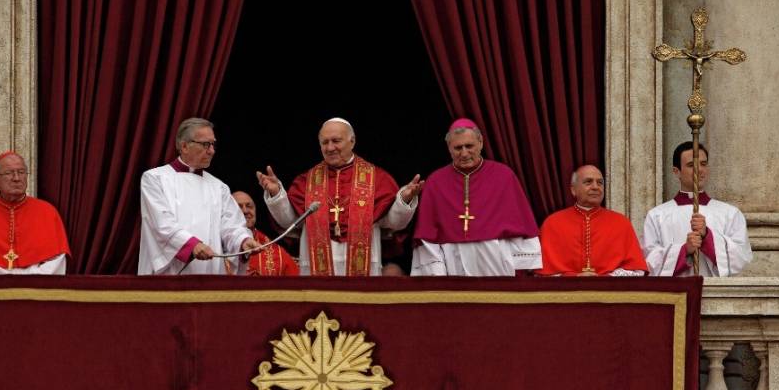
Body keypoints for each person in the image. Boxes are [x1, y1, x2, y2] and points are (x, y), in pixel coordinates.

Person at [256, 117, 423, 275]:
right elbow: (289, 222)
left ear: (352, 141)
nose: (330, 148)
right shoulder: (306, 181)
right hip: (315, 267)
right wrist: (276, 194)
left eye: (336, 141)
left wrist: (405, 199)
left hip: (365, 267)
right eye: (325, 142)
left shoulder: (376, 179)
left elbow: (394, 223)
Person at [411, 118, 541, 276]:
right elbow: (427, 235)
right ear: (449, 148)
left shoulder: (504, 176)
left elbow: (521, 226)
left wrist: (521, 269)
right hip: (452, 263)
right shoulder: (435, 182)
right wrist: (437, 274)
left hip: (497, 263)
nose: (464, 153)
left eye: (469, 146)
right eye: (458, 148)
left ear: (481, 143)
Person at [138, 118, 260, 275]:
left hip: (210, 274)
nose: (212, 151)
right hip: (169, 275)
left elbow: (232, 227)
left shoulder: (219, 187)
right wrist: (191, 245)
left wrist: (243, 241)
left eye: (213, 144)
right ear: (184, 146)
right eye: (205, 144)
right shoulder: (155, 179)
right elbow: (161, 223)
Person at [642, 141, 752, 276]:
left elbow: (741, 259)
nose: (699, 169)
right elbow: (648, 262)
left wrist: (708, 236)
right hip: (676, 293)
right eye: (691, 165)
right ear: (676, 172)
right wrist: (684, 250)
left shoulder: (730, 214)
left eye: (703, 164)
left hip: (717, 293)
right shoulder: (657, 215)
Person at [0, 152, 71, 274]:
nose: (16, 178)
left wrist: (25, 277)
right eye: (9, 173)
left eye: (21, 172)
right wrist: (8, 279)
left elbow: (57, 262)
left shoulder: (48, 212)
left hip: (36, 288)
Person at [537, 165, 648, 276]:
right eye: (588, 182)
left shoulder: (621, 222)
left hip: (611, 291)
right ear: (573, 190)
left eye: (600, 183)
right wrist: (573, 277)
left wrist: (604, 278)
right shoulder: (552, 223)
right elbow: (541, 273)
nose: (595, 187)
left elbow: (636, 270)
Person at [231, 191, 299, 276]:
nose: (245, 210)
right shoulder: (216, 245)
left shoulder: (276, 253)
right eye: (238, 207)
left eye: (249, 206)